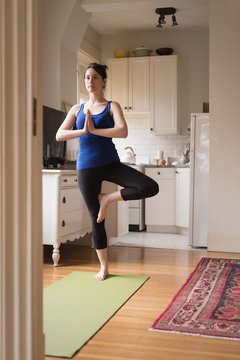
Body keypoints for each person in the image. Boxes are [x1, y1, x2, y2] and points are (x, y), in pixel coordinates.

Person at [56, 62, 159, 280]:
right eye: (86, 77)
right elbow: (59, 135)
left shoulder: (112, 106)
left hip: (110, 163)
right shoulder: (77, 109)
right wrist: (83, 131)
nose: (90, 81)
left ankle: (108, 198)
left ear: (103, 81)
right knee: (96, 219)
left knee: (149, 186)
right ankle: (104, 267)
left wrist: (95, 130)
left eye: (94, 77)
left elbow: (122, 131)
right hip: (86, 167)